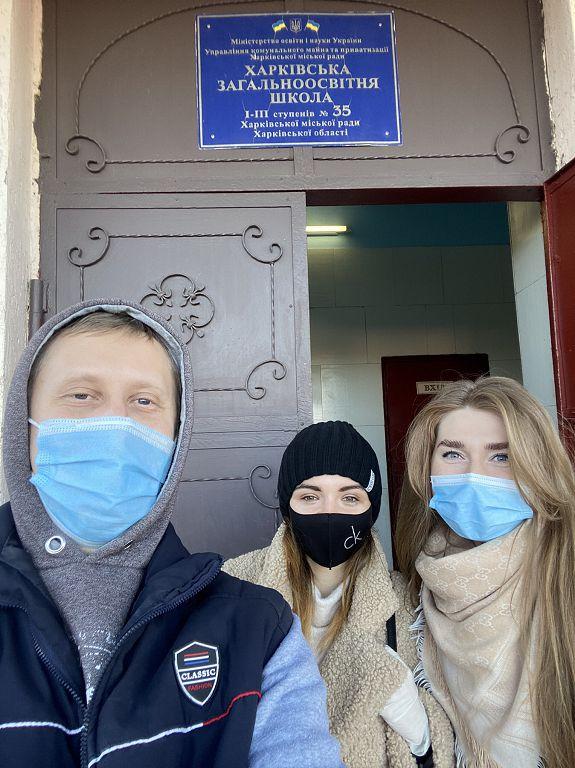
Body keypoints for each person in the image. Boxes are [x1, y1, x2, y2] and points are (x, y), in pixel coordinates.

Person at [0, 298, 345, 768]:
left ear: (177, 439)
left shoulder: (257, 631)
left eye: (144, 401)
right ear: (25, 423)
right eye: (81, 395)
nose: (116, 424)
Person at [224, 421, 455, 768]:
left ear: (370, 507)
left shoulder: (407, 603)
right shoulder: (234, 588)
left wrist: (420, 729)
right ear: (288, 505)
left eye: (349, 497)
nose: (328, 512)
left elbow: (445, 742)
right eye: (309, 496)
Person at [395, 377, 575, 768]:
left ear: (536, 465)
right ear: (426, 469)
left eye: (501, 457)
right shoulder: (419, 582)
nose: (475, 476)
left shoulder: (565, 574)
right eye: (452, 453)